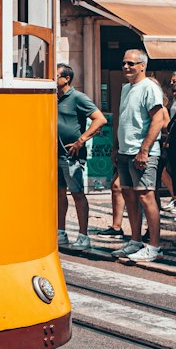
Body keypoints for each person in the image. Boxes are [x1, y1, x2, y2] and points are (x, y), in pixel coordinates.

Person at [113, 49, 167, 264]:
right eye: (124, 63)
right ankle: (135, 241)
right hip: (126, 152)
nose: (126, 67)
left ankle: (154, 247)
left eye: (131, 64)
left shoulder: (149, 87)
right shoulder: (126, 87)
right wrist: (116, 147)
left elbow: (158, 120)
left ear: (142, 66)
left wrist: (144, 150)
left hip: (142, 153)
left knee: (146, 196)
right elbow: (124, 119)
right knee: (129, 196)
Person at [55, 64, 106, 252]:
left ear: (66, 79)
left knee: (77, 194)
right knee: (59, 194)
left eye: (56, 76)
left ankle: (84, 236)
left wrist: (81, 141)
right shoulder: (53, 98)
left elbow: (100, 119)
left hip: (72, 155)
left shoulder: (78, 97)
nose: (53, 79)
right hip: (55, 154)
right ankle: (61, 232)